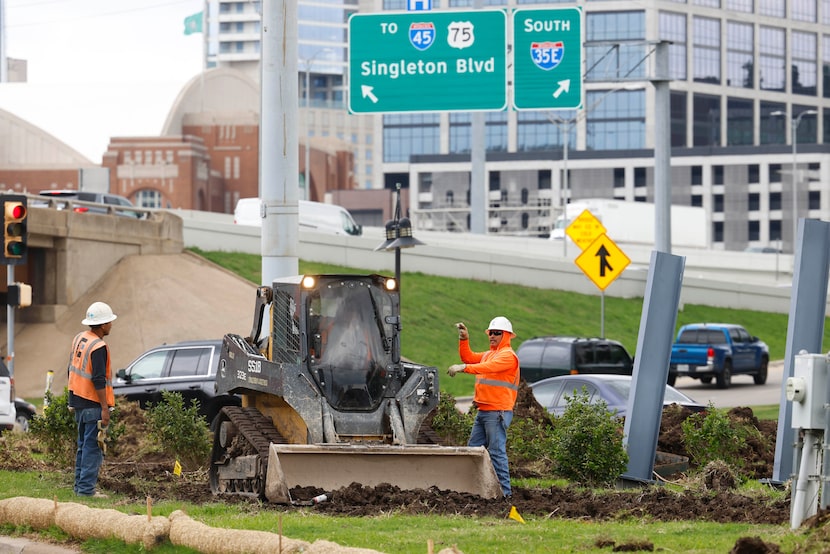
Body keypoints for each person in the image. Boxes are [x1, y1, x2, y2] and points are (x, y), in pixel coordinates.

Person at [447, 316, 520, 498]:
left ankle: (505, 494)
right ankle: (475, 489)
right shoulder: (490, 354)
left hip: (497, 412)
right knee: (473, 450)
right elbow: (470, 358)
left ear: (507, 336)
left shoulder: (508, 356)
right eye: (491, 333)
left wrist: (463, 368)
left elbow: (486, 367)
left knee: (496, 452)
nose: (492, 336)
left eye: (497, 333)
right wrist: (464, 339)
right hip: (484, 411)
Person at [68, 301, 117, 498]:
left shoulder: (80, 339)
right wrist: (105, 409)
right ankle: (86, 491)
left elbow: (70, 370)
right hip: (93, 404)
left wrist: (71, 400)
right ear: (104, 325)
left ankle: (80, 487)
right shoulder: (99, 346)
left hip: (79, 402)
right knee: (93, 448)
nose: (111, 325)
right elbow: (98, 379)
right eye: (110, 322)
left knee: (83, 447)